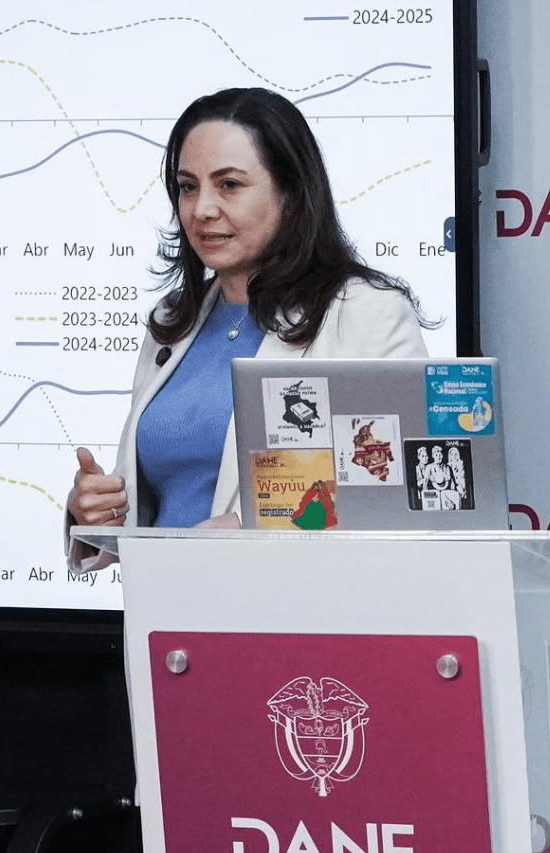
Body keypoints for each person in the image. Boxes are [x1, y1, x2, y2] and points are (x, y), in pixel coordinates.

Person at [67, 87, 431, 571]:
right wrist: (98, 515)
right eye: (188, 186)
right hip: (166, 607)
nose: (202, 209)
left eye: (230, 185)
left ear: (291, 193)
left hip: (292, 609)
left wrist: (255, 528)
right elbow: (162, 499)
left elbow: (398, 490)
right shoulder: (171, 323)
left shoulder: (366, 315)